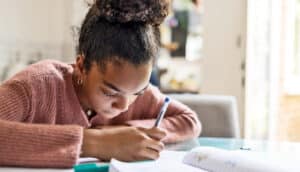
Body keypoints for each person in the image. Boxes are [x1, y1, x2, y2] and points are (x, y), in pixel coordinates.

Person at [0, 0, 201, 168]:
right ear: (81, 66)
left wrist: (128, 133)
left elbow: (189, 120)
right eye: (110, 92)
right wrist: (95, 143)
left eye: (137, 93)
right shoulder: (38, 86)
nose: (124, 105)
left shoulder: (136, 92)